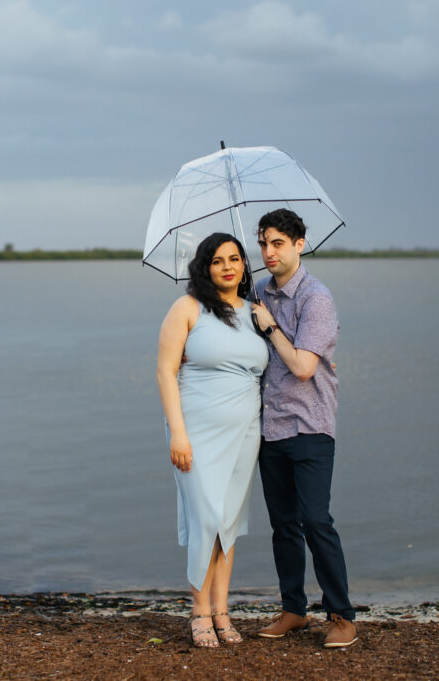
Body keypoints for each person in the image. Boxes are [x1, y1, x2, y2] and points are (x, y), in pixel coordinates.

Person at [250, 208, 357, 648]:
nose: (268, 252)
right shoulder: (256, 292)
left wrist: (269, 326)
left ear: (299, 244)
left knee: (316, 521)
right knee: (283, 525)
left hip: (310, 425)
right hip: (269, 427)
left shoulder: (317, 299)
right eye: (262, 243)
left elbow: (301, 367)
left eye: (277, 243)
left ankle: (342, 615)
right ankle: (293, 609)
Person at [156, 232, 269, 648]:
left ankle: (222, 611)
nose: (228, 266)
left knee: (228, 523)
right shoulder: (187, 308)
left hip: (245, 431)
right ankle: (199, 612)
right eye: (218, 260)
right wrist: (178, 434)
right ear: (204, 267)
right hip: (196, 432)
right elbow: (166, 371)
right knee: (205, 517)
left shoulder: (256, 312)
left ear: (243, 266)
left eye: (235, 259)